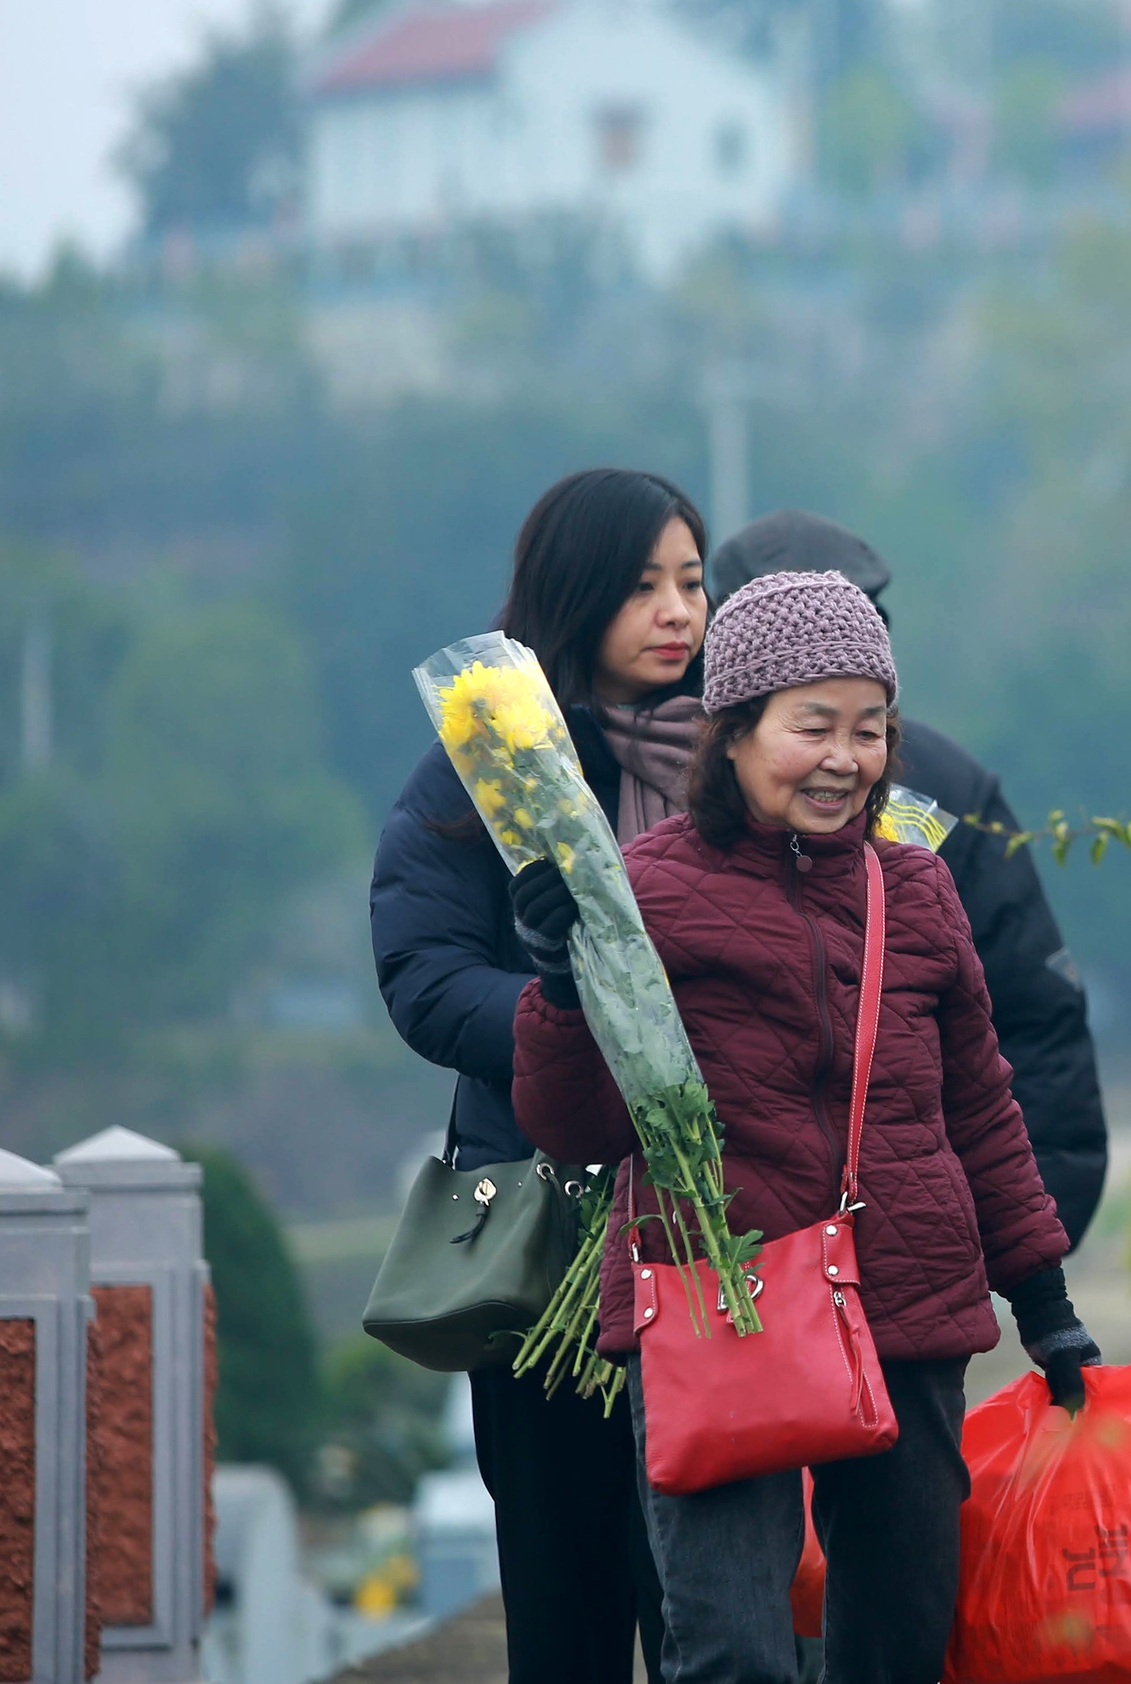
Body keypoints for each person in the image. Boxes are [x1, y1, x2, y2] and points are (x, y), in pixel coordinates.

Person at [508, 568, 1098, 1684]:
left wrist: (1047, 1302)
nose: (845, 758)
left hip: (909, 1300)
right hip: (716, 1296)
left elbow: (978, 1104)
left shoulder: (915, 890)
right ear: (731, 734)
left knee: (898, 1640)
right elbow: (576, 1123)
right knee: (732, 1648)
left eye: (870, 729)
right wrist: (559, 983)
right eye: (812, 726)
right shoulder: (646, 890)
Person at [370, 467, 710, 1682]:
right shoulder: (486, 764)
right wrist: (566, 1022)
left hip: (712, 1225)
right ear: (573, 598)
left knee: (710, 1598)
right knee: (563, 1595)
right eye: (642, 586)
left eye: (691, 581)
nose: (678, 611)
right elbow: (418, 969)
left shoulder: (741, 760)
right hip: (546, 1230)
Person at [707, 510, 1110, 1246]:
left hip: (906, 1255)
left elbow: (1029, 1018)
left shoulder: (949, 794)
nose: (840, 763)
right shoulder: (658, 801)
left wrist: (1021, 1248)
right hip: (714, 1263)